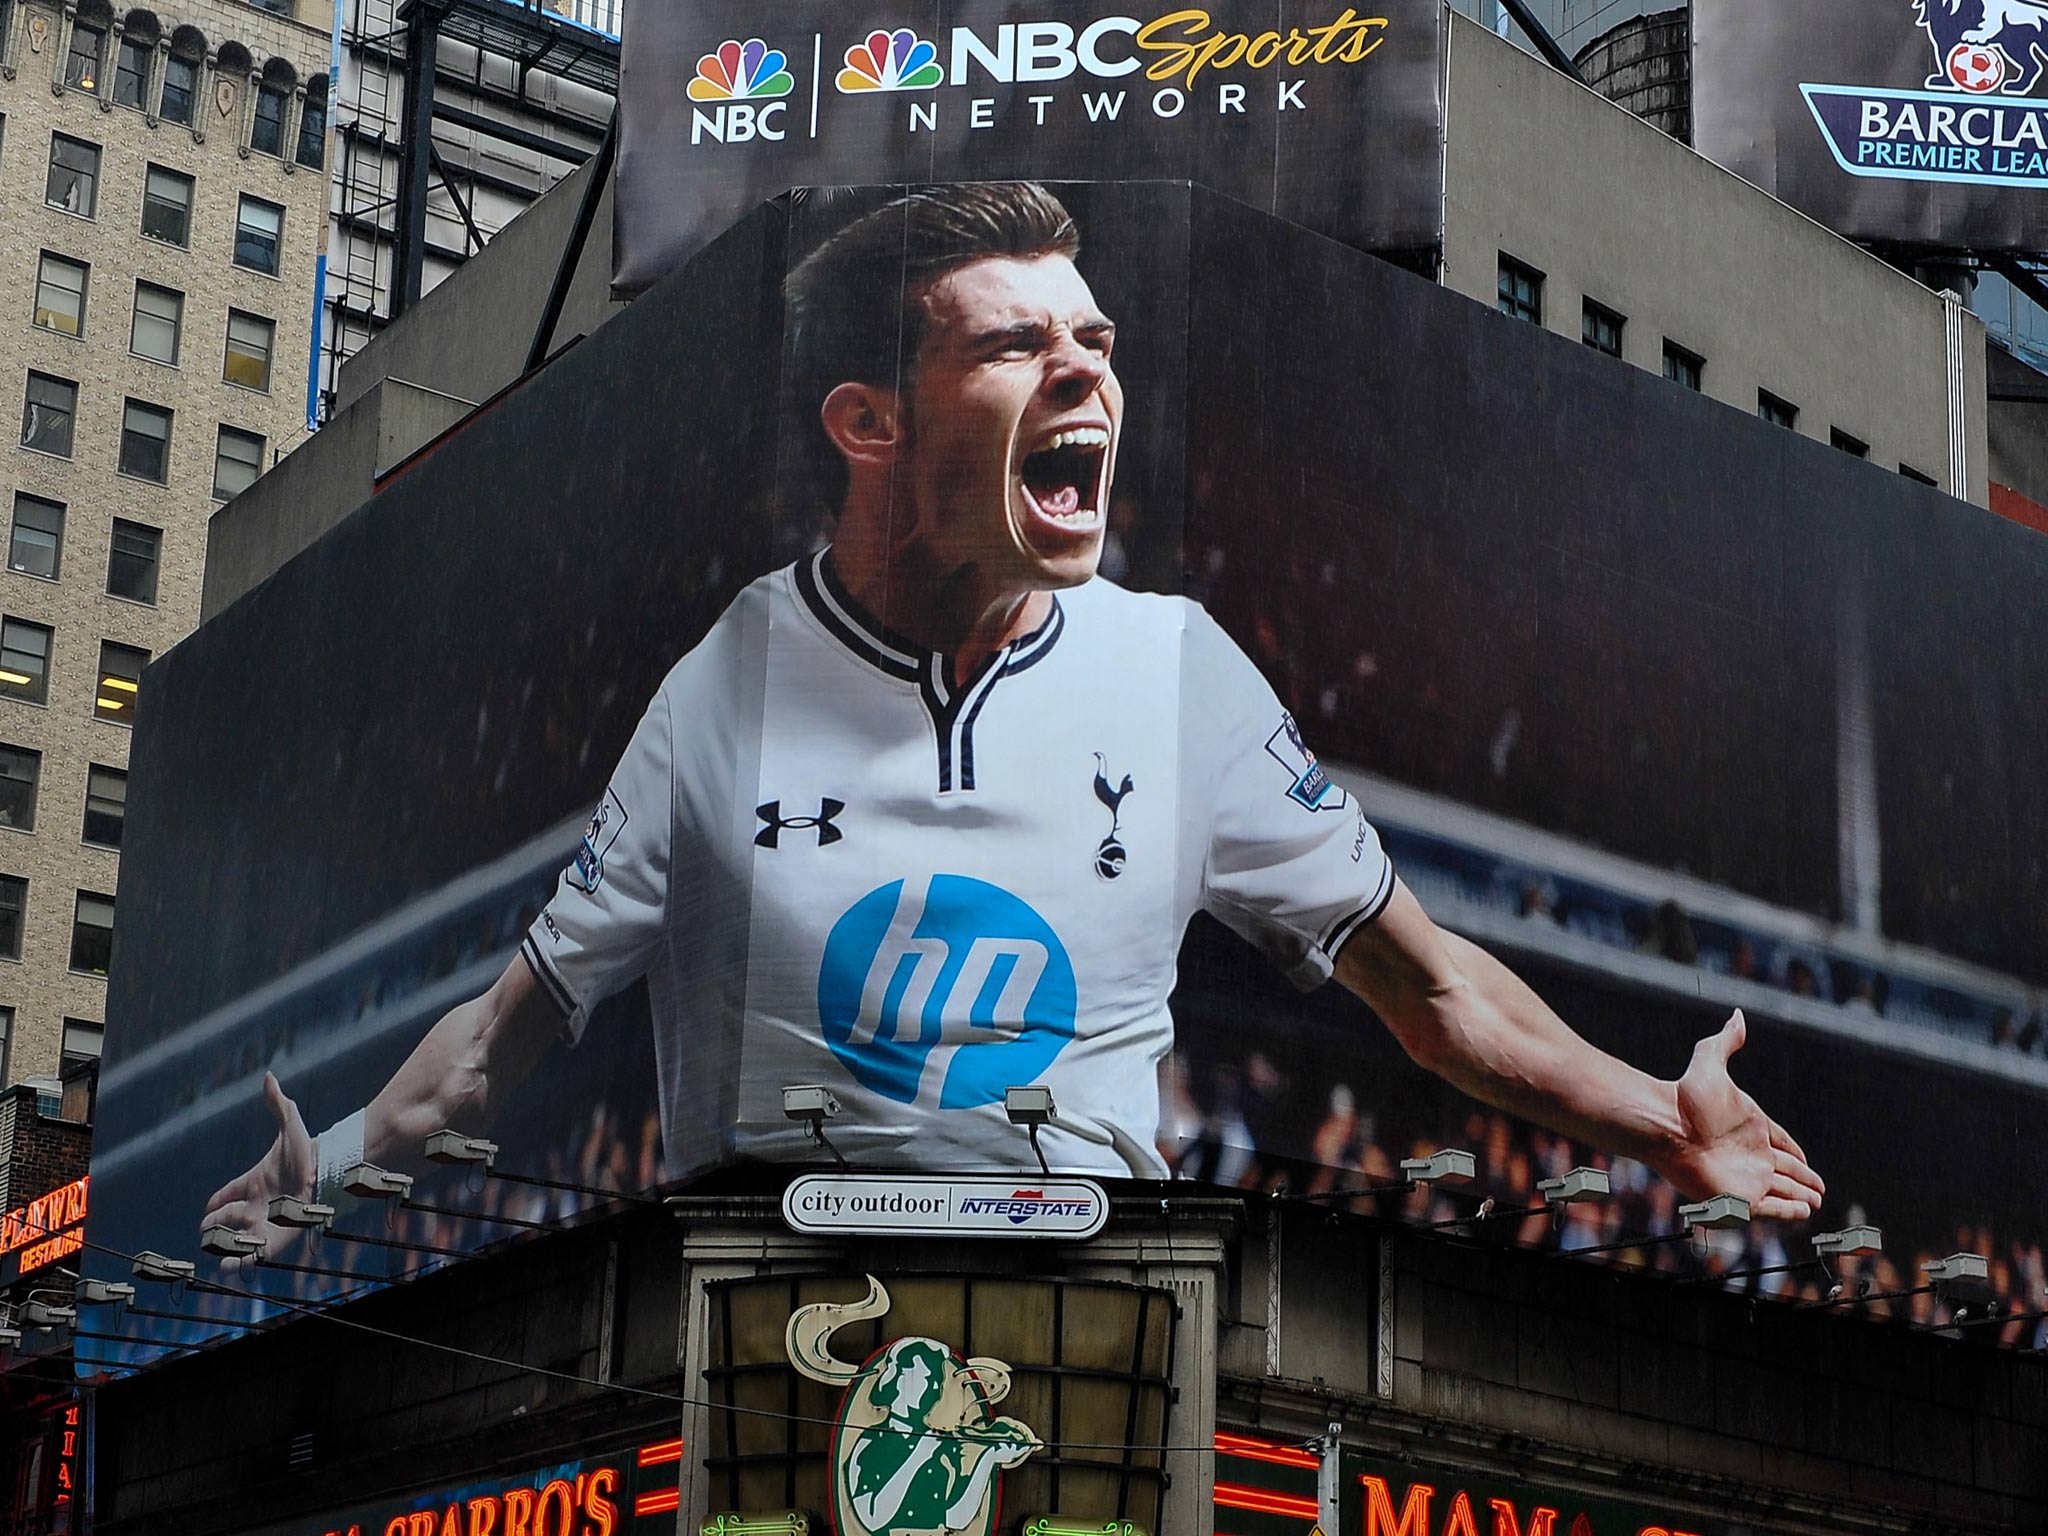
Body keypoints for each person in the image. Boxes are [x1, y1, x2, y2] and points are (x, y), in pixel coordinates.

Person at [201, 183, 1823, 1252]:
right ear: (869, 420)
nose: (1087, 376)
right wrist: (331, 1165)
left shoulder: (1178, 669)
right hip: (774, 1322)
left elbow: (1434, 989)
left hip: (1095, 1325)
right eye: (1019, 344)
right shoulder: (731, 683)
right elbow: (503, 1038)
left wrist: (1654, 1117)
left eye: (1096, 341)